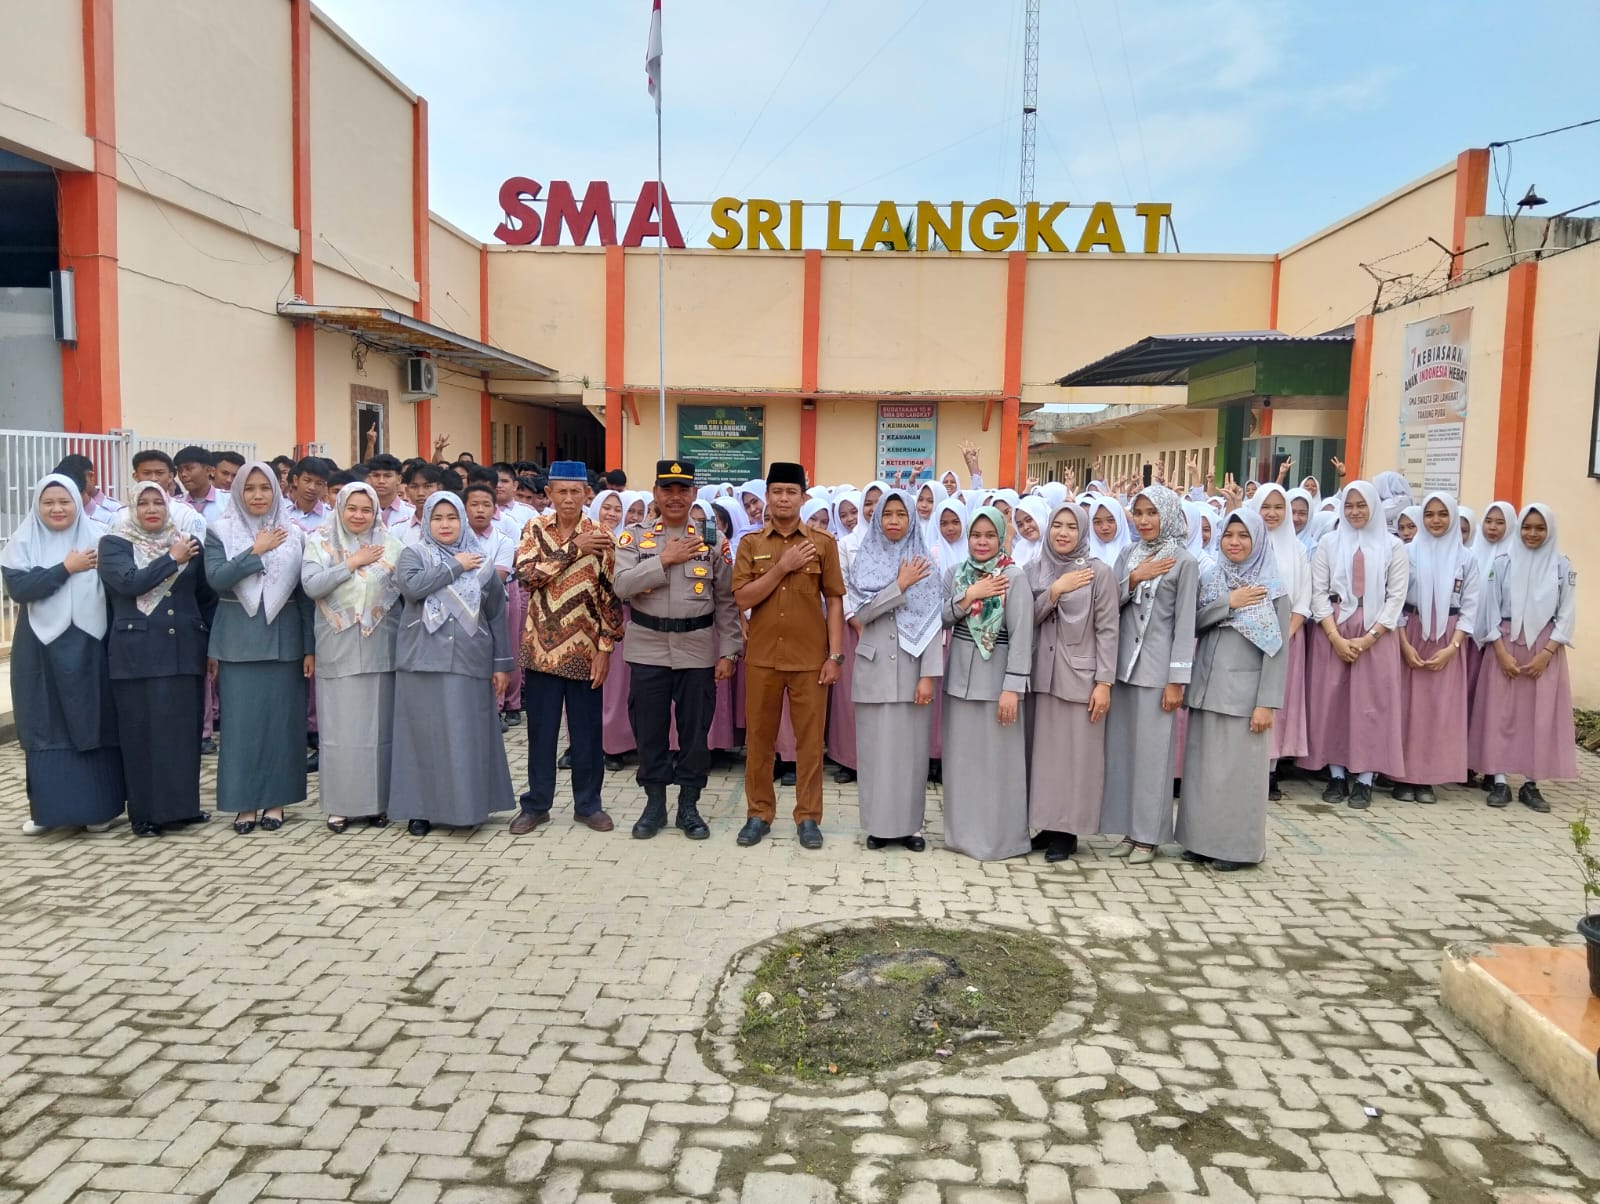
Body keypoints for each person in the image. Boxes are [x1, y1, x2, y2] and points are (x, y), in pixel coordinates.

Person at [612, 460, 743, 840]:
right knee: (649, 731)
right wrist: (664, 560)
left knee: (694, 733)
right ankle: (654, 804)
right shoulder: (634, 537)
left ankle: (689, 804)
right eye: (666, 489)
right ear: (655, 493)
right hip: (648, 648)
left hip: (696, 649)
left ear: (693, 494)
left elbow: (726, 600)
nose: (674, 497)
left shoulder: (712, 539)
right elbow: (621, 586)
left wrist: (729, 650)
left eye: (682, 490)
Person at [732, 462, 846, 849]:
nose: (783, 499)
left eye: (791, 492)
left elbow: (834, 600)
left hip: (810, 660)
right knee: (759, 740)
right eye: (777, 492)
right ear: (767, 496)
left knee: (810, 743)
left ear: (803, 497)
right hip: (763, 658)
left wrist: (835, 656)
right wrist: (782, 567)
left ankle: (808, 817)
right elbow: (743, 598)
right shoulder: (751, 544)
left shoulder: (823, 543)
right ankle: (758, 813)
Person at [2, 475, 124, 835]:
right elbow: (20, 588)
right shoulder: (23, 542)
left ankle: (98, 809)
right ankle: (48, 812)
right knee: (44, 723)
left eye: (64, 501)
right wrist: (65, 568)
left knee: (94, 719)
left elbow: (119, 587)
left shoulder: (100, 539)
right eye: (48, 502)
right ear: (37, 506)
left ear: (77, 503)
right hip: (39, 649)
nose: (57, 509)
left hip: (91, 644)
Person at [388, 493, 515, 835]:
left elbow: (496, 614)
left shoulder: (482, 561)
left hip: (469, 658)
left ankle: (467, 808)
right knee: (420, 736)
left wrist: (501, 664)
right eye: (437, 517)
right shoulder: (413, 554)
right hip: (421, 658)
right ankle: (419, 810)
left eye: (452, 517)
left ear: (462, 520)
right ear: (427, 521)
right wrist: (455, 566)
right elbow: (413, 588)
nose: (445, 524)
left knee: (464, 736)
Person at [510, 461, 624, 835]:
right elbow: (527, 577)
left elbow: (610, 598)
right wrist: (573, 549)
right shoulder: (534, 529)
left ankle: (588, 806)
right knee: (541, 733)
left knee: (587, 734)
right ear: (549, 494)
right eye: (562, 491)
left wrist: (605, 649)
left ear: (587, 494)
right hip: (541, 651)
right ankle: (536, 805)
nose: (569, 498)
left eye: (576, 491)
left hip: (584, 652)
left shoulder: (602, 535)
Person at [1176, 508, 1290, 871]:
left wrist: (1266, 703)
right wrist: (1229, 603)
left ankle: (1238, 849)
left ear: (1258, 541)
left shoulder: (1272, 589)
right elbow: (1191, 624)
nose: (1234, 542)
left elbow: (1277, 651)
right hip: (1206, 689)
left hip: (1244, 697)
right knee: (1203, 773)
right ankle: (1200, 841)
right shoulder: (1213, 579)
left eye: (1243, 536)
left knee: (1239, 776)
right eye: (1228, 535)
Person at [99, 482, 216, 835]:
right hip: (137, 654)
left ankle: (182, 808)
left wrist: (211, 645)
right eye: (144, 503)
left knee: (182, 734)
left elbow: (206, 598)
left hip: (184, 649)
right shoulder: (115, 544)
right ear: (132, 508)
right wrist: (171, 559)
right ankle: (145, 814)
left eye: (158, 503)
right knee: (141, 735)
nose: (152, 509)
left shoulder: (187, 543)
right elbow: (128, 583)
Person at [205, 463, 314, 834]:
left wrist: (310, 647)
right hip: (238, 641)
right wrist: (256, 550)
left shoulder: (295, 534)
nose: (257, 495)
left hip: (285, 642)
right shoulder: (220, 531)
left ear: (277, 492)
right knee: (241, 728)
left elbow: (305, 596)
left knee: (282, 726)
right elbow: (216, 578)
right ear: (238, 492)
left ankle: (277, 802)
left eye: (265, 488)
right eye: (249, 488)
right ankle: (244, 804)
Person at [1101, 485, 1199, 864]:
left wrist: (1177, 680)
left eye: (1152, 513)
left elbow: (1185, 624)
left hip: (1158, 672)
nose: (1143, 521)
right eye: (1139, 513)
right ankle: (1129, 830)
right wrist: (1134, 578)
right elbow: (1107, 603)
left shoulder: (1184, 562)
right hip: (1123, 668)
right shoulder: (1129, 554)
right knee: (1124, 753)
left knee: (1154, 756)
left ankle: (1149, 835)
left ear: (1169, 515)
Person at [301, 482, 403, 832]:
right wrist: (352, 562)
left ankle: (378, 804)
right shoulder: (319, 542)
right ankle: (340, 806)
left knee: (379, 730)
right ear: (339, 508)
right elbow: (312, 586)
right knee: (339, 732)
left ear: (376, 512)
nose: (359, 516)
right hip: (338, 645)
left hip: (380, 647)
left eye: (366, 510)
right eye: (352, 508)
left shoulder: (392, 545)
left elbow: (406, 588)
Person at [844, 489, 943, 851]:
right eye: (888, 514)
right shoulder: (864, 561)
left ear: (912, 518)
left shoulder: (925, 564)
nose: (894, 521)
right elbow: (863, 613)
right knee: (875, 755)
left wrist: (928, 676)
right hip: (873, 671)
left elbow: (933, 623)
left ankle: (911, 827)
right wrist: (899, 585)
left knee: (911, 756)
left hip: (913, 671)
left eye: (902, 514)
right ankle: (878, 826)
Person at [1305, 480, 1409, 808]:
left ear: (1374, 506)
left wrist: (1369, 638)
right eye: (1349, 506)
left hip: (1377, 632)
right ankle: (1336, 775)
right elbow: (1318, 591)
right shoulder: (1329, 542)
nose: (1355, 512)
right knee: (1333, 700)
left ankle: (1365, 778)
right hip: (1333, 627)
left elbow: (1396, 597)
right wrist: (1335, 636)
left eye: (1362, 505)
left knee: (1372, 704)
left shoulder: (1393, 546)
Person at [939, 506, 1032, 860]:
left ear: (1001, 538)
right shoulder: (956, 573)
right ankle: (962, 836)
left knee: (997, 763)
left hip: (997, 684)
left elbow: (1022, 636)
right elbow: (942, 618)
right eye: (976, 535)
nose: (982, 542)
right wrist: (971, 595)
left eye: (990, 535)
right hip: (959, 681)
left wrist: (1012, 688)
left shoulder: (1014, 577)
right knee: (962, 762)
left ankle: (1000, 839)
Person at [1026, 503, 1117, 862]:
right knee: (1045, 756)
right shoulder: (1034, 569)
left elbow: (1108, 629)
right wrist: (1054, 591)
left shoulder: (1099, 573)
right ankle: (1047, 824)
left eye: (1071, 527)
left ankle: (1068, 831)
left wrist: (1104, 682)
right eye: (1057, 525)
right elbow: (1024, 619)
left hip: (1080, 678)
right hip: (1041, 675)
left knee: (1077, 756)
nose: (1062, 533)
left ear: (1082, 532)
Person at [1471, 503, 1576, 811]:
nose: (1532, 533)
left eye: (1540, 528)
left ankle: (1531, 783)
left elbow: (1567, 612)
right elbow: (1489, 608)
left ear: (1550, 531)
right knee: (1500, 713)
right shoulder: (1503, 563)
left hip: (1544, 648)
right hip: (1505, 644)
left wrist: (1547, 653)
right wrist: (1500, 651)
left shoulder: (1562, 566)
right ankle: (1499, 780)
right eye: (1527, 527)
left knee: (1538, 715)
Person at [1393, 492, 1480, 804]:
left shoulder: (1466, 558)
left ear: (1453, 517)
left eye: (1443, 514)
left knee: (1438, 709)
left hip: (1448, 639)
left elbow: (1470, 607)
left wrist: (1453, 647)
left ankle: (1428, 778)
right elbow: (1396, 599)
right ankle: (1402, 777)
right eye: (1429, 514)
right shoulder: (1407, 553)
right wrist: (1404, 644)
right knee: (1407, 708)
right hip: (1411, 632)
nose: (1436, 520)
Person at [1249, 484, 1311, 798]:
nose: (1272, 513)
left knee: (1277, 705)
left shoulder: (1297, 550)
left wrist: (1285, 633)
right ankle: (1249, 769)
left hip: (1287, 638)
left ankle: (1271, 772)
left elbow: (1304, 599)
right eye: (1265, 506)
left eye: (1278, 507)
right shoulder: (1245, 543)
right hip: (1247, 638)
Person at [175, 446, 229, 522]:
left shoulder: (228, 501)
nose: (183, 474)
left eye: (189, 469)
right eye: (179, 470)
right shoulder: (175, 503)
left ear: (208, 470)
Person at [283, 457, 331, 532]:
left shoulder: (330, 517)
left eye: (319, 483)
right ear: (296, 480)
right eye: (307, 481)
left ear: (324, 486)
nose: (312, 487)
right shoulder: (284, 515)